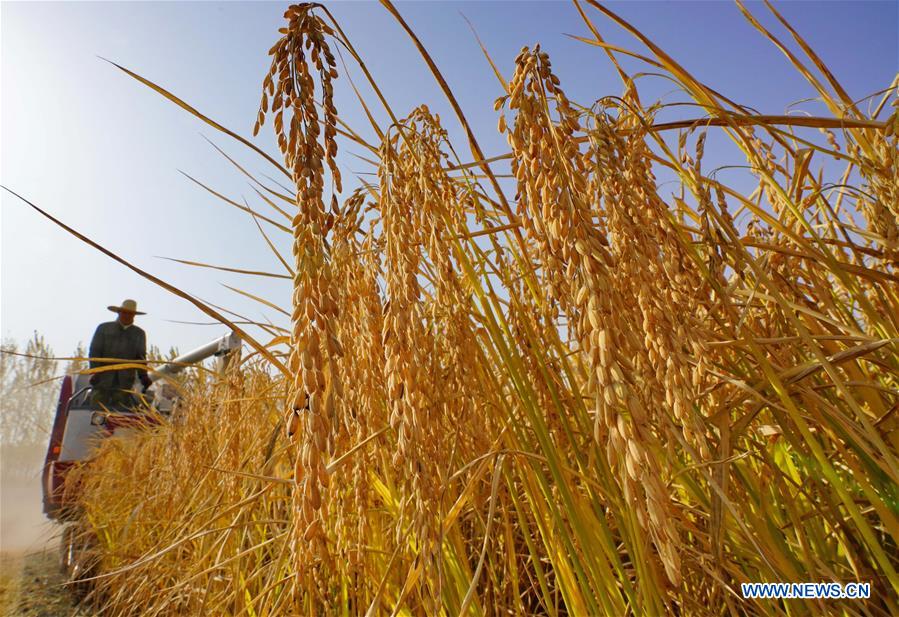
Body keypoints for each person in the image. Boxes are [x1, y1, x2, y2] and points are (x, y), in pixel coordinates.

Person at [88, 299, 152, 411]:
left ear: (134, 315)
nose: (127, 315)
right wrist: (94, 371)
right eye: (125, 312)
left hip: (125, 382)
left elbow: (140, 358)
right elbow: (94, 351)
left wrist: (144, 377)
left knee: (120, 413)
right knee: (95, 411)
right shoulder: (103, 328)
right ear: (119, 312)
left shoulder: (139, 334)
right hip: (102, 380)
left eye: (130, 313)